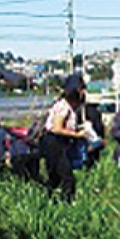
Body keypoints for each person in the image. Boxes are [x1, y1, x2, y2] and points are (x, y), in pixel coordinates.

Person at [38, 74, 88, 202]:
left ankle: (49, 200)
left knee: (54, 176)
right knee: (67, 176)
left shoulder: (67, 105)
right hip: (53, 141)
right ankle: (67, 201)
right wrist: (77, 135)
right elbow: (57, 128)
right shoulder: (63, 106)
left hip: (54, 142)